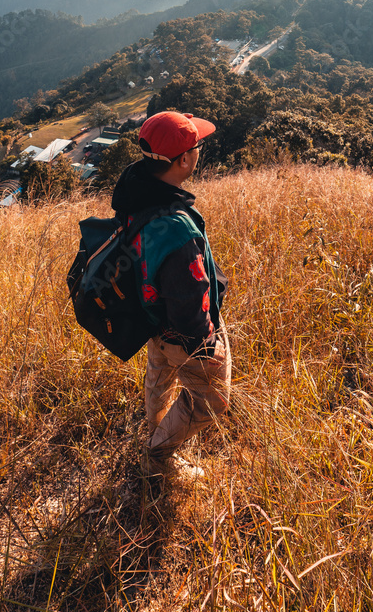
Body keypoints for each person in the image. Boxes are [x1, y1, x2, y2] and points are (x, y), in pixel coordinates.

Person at [111, 110, 231, 480]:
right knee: (212, 402)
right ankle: (156, 456)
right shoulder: (178, 231)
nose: (199, 151)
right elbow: (188, 299)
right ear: (183, 160)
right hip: (182, 332)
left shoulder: (135, 190)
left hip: (151, 317)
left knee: (159, 378)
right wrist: (206, 346)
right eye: (196, 147)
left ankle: (156, 428)